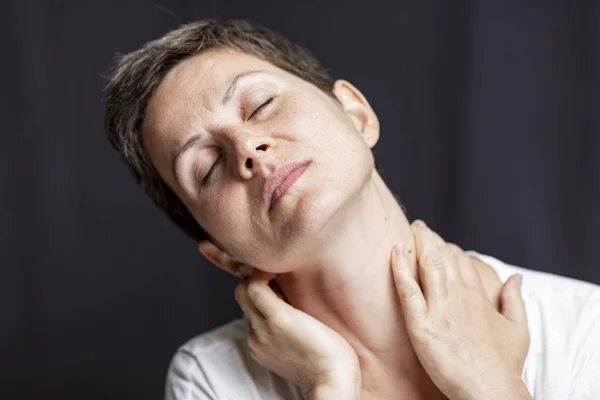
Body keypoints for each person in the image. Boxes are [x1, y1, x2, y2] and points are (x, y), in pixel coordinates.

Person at [104, 19, 600, 400]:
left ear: (356, 114)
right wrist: (329, 383)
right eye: (208, 166)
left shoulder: (583, 328)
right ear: (224, 255)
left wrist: (493, 387)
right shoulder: (213, 379)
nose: (248, 149)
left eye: (260, 106)